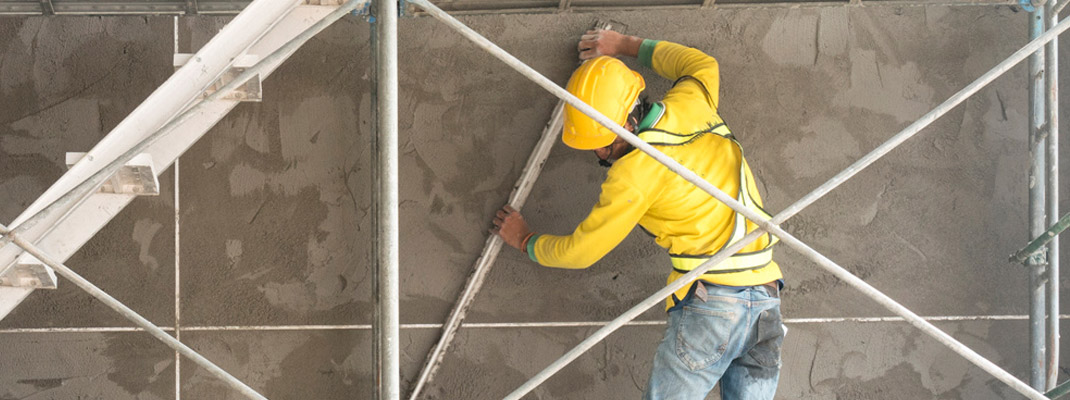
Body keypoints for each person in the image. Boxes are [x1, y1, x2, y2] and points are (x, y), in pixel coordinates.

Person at [491, 29, 785, 400]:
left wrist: (526, 241)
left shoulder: (633, 174)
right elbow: (701, 64)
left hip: (713, 308)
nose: (599, 154)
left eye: (604, 143)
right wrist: (625, 46)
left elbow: (581, 251)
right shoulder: (692, 101)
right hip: (766, 302)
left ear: (629, 123)